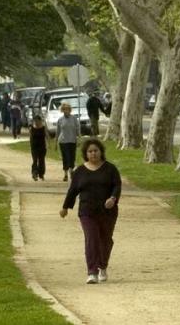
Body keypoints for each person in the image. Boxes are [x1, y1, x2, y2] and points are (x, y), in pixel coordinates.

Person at [60, 138, 121, 284]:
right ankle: (92, 272)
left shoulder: (110, 169)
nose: (93, 154)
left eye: (95, 151)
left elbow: (117, 186)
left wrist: (112, 199)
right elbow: (73, 191)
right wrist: (65, 207)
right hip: (87, 211)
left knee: (105, 240)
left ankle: (103, 266)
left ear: (101, 152)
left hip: (107, 211)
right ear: (86, 154)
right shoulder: (79, 171)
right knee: (91, 238)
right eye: (90, 151)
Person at [56, 102, 81, 182]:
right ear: (62, 110)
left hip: (72, 140)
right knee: (65, 157)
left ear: (70, 110)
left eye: (68, 109)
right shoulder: (60, 120)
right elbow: (58, 131)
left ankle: (71, 170)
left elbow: (77, 129)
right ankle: (66, 173)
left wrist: (79, 138)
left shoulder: (74, 119)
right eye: (65, 109)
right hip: (63, 141)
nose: (66, 111)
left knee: (72, 157)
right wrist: (55, 143)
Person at [29, 114, 48, 181]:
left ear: (40, 121)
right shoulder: (32, 128)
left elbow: (47, 137)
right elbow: (30, 137)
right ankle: (34, 173)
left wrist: (48, 145)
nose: (36, 122)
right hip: (34, 147)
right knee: (35, 160)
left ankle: (41, 174)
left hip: (42, 147)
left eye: (38, 121)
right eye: (35, 121)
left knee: (41, 161)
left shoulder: (43, 128)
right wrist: (30, 145)